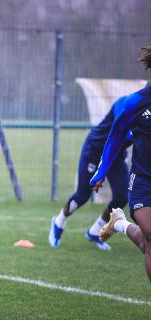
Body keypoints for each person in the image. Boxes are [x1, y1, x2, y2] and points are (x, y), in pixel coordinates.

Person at [90, 44, 151, 281]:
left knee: (148, 243)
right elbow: (114, 138)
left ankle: (119, 224)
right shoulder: (134, 103)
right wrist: (101, 171)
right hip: (144, 179)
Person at [48, 97, 131, 250]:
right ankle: (58, 221)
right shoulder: (128, 103)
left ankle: (95, 231)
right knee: (83, 195)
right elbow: (120, 128)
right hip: (95, 151)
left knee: (122, 197)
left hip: (116, 156)